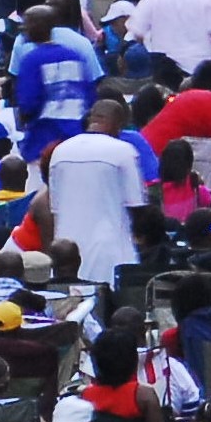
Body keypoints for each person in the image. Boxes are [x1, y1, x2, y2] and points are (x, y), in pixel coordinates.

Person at [36, 99, 148, 285]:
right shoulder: (123, 151)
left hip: (66, 254)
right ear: (119, 124)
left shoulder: (60, 152)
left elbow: (54, 208)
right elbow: (137, 208)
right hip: (111, 253)